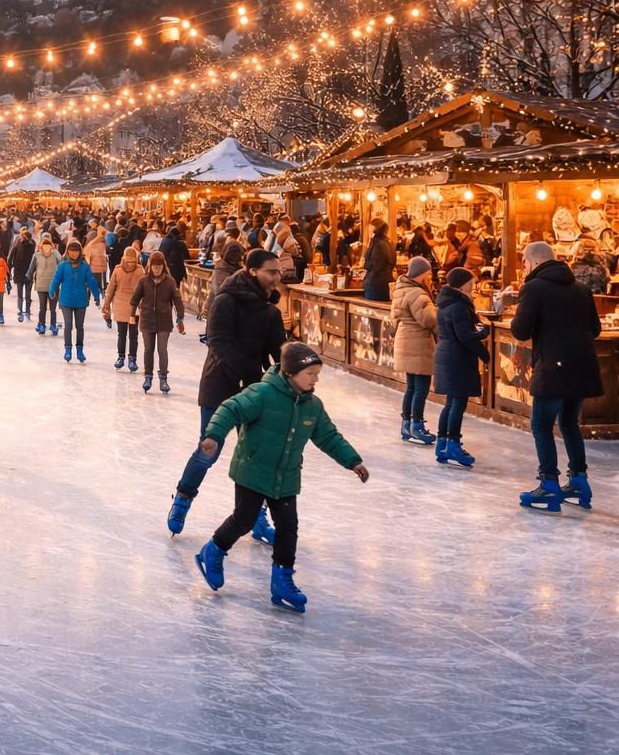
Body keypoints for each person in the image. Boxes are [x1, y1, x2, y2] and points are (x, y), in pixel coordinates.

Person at [192, 342, 369, 613]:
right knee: (244, 519)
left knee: (289, 527)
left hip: (286, 475)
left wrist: (353, 460)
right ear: (290, 373)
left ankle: (282, 580)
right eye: (310, 373)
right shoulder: (262, 394)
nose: (315, 379)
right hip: (253, 469)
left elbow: (328, 436)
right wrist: (213, 436)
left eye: (317, 373)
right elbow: (230, 409)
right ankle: (212, 551)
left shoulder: (313, 406)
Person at [167, 249, 285, 537]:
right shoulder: (226, 301)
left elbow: (280, 353)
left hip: (255, 391)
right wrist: (253, 376)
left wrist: (291, 374)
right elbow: (218, 343)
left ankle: (255, 515)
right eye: (272, 271)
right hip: (219, 385)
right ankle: (183, 497)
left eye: (279, 271)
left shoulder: (271, 311)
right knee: (209, 449)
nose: (277, 276)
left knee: (255, 457)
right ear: (252, 270)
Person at [510, 241, 601, 511]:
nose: (524, 267)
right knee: (569, 423)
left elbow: (520, 331)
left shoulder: (533, 288)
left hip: (553, 366)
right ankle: (579, 480)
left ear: (535, 261)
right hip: (583, 366)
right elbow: (594, 329)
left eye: (524, 261)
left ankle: (549, 484)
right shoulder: (581, 289)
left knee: (541, 425)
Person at [433, 267, 490, 468]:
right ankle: (453, 444)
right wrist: (484, 344)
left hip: (449, 356)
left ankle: (442, 444)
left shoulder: (447, 303)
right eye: (471, 283)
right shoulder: (458, 306)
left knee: (451, 403)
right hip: (457, 359)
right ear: (462, 284)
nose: (474, 286)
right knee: (457, 403)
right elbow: (465, 336)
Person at [391, 255, 438, 446]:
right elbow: (429, 320)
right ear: (421, 274)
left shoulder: (400, 289)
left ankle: (406, 424)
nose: (430, 277)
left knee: (411, 388)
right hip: (418, 344)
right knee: (421, 388)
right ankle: (416, 425)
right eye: (428, 273)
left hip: (405, 340)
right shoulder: (418, 294)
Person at [131, 250, 186, 393]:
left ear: (163, 266)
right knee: (148, 350)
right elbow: (135, 298)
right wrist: (132, 315)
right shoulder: (143, 280)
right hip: (147, 320)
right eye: (154, 267)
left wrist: (180, 315)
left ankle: (163, 379)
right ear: (150, 266)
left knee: (162, 350)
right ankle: (148, 376)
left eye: (159, 267)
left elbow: (177, 299)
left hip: (164, 321)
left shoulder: (170, 281)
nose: (156, 269)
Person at [49, 239, 102, 364]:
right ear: (67, 252)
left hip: (80, 300)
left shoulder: (85, 266)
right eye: (71, 252)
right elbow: (56, 279)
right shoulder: (63, 265)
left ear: (80, 252)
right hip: (66, 300)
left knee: (79, 326)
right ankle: (68, 349)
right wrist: (52, 290)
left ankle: (79, 350)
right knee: (68, 326)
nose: (73, 254)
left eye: (76, 252)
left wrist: (96, 295)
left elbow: (91, 281)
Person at [102, 245, 145, 372]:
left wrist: (106, 305)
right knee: (133, 335)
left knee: (121, 334)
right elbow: (144, 290)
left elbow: (110, 290)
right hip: (134, 307)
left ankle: (121, 357)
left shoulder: (118, 269)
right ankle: (132, 359)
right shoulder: (140, 270)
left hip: (120, 305)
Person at [29, 233, 62, 336]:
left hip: (41, 284)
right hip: (54, 284)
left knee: (42, 307)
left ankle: (42, 325)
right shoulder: (56, 253)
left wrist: (28, 277)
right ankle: (52, 325)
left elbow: (31, 269)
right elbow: (62, 265)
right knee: (53, 308)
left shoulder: (36, 255)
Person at [362, 218, 395, 302]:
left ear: (374, 228)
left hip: (376, 285)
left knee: (372, 311)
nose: (368, 231)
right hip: (386, 282)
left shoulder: (378, 243)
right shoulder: (388, 242)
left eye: (370, 228)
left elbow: (375, 266)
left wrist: (367, 281)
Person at [8, 228, 36, 322]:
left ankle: (20, 311)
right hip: (28, 273)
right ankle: (26, 311)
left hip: (19, 272)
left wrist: (10, 267)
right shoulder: (33, 246)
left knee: (20, 294)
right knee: (27, 295)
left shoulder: (17, 245)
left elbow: (10, 257)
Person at [84, 229, 108, 293]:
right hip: (103, 265)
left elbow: (86, 254)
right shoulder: (103, 243)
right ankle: (102, 289)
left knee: (93, 279)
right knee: (101, 280)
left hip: (93, 266)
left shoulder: (91, 244)